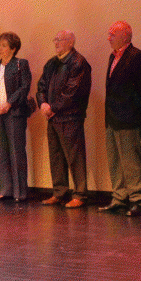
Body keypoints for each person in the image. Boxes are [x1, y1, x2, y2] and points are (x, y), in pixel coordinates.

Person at [99, 21, 141, 217]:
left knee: (131, 161)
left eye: (112, 34)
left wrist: (137, 111)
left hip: (128, 119)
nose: (109, 38)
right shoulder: (112, 57)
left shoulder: (137, 57)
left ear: (125, 36)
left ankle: (137, 200)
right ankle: (119, 198)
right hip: (112, 118)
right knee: (115, 160)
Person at [36, 30, 92, 208]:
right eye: (55, 39)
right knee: (56, 156)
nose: (56, 43)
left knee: (75, 157)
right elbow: (41, 86)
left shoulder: (78, 62)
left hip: (70, 117)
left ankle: (80, 194)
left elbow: (72, 92)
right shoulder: (51, 63)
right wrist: (43, 104)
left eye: (60, 40)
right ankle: (60, 192)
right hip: (53, 118)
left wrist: (53, 107)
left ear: (71, 42)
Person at [0, 32, 32, 202]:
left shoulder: (20, 64)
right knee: (0, 152)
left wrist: (9, 103)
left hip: (14, 113)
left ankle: (20, 192)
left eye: (4, 45)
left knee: (16, 151)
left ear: (13, 48)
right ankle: (4, 190)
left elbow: (24, 87)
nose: (0, 49)